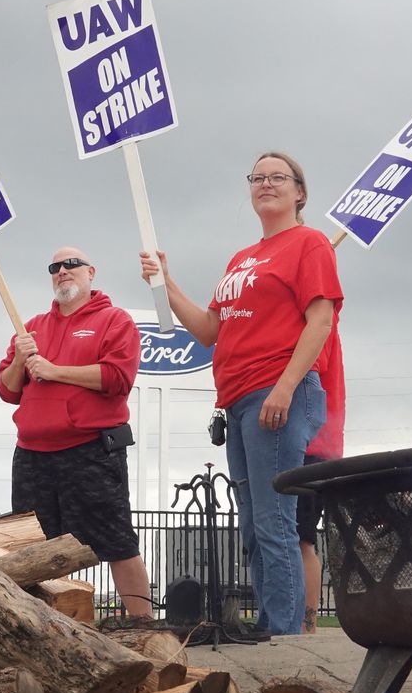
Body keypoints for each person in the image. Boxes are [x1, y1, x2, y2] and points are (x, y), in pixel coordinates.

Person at [141, 152, 343, 635]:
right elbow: (209, 330)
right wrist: (165, 284)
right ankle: (274, 624)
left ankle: (283, 633)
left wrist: (285, 387)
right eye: (257, 177)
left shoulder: (310, 243)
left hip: (277, 391)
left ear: (300, 192)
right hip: (238, 400)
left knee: (275, 522)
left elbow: (321, 320)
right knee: (253, 525)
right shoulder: (242, 258)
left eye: (278, 177)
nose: (265, 183)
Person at [0, 247, 154, 621]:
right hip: (32, 454)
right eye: (55, 267)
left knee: (115, 539)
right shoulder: (30, 327)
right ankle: (43, 625)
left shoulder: (115, 320)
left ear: (91, 272)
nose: (63, 271)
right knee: (36, 548)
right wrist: (21, 359)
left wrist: (56, 370)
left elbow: (117, 379)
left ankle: (144, 624)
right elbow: (7, 390)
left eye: (72, 264)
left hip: (90, 451)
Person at [297, 324, 345, 634]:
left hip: (310, 446)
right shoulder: (324, 326)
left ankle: (307, 624)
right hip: (319, 446)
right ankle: (306, 622)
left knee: (301, 539)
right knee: (302, 538)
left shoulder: (318, 328)